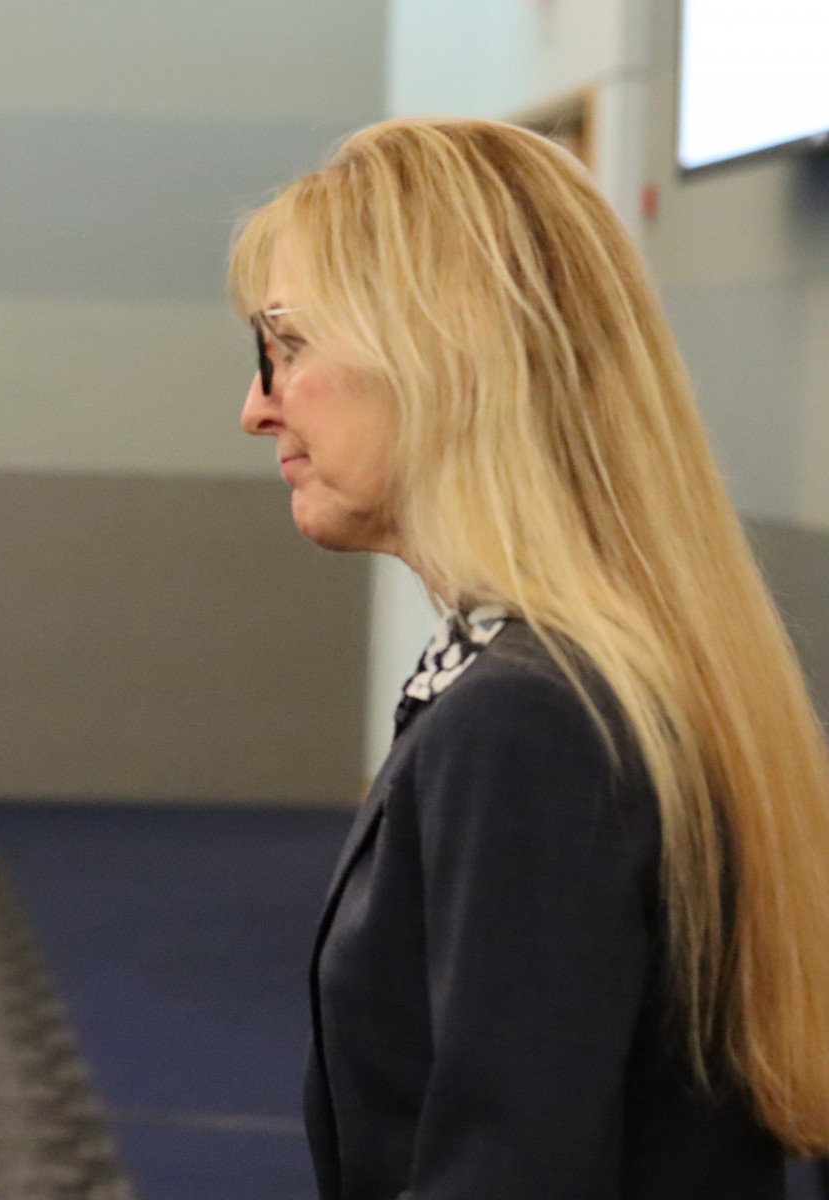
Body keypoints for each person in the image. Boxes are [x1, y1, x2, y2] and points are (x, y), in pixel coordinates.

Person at [232, 116, 829, 1198]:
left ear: (444, 354)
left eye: (290, 343)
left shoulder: (531, 720)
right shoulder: (581, 676)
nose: (257, 404)